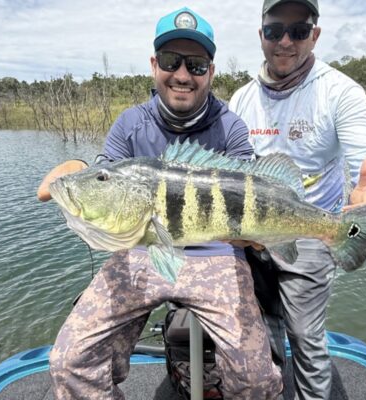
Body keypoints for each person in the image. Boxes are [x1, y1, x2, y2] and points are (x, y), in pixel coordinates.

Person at [37, 7, 282, 400]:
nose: (182, 74)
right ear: (154, 65)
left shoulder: (231, 127)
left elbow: (251, 197)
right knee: (70, 361)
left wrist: (257, 235)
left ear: (210, 72)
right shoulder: (129, 124)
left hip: (217, 254)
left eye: (196, 65)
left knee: (256, 379)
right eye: (171, 61)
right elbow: (105, 174)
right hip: (141, 251)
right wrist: (80, 171)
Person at [228, 0, 366, 399]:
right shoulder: (241, 99)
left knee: (305, 335)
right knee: (261, 328)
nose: (285, 41)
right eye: (274, 31)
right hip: (252, 235)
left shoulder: (340, 91)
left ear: (315, 35)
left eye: (298, 31)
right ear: (261, 35)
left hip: (313, 233)